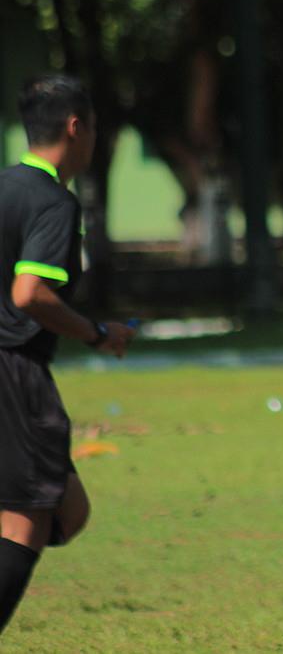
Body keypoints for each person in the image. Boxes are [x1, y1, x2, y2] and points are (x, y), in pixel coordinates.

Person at [0, 74, 135, 634]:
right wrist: (97, 333)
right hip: (14, 371)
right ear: (75, 128)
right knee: (28, 518)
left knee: (69, 509)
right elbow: (29, 293)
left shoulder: (4, 186)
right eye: (95, 128)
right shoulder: (54, 201)